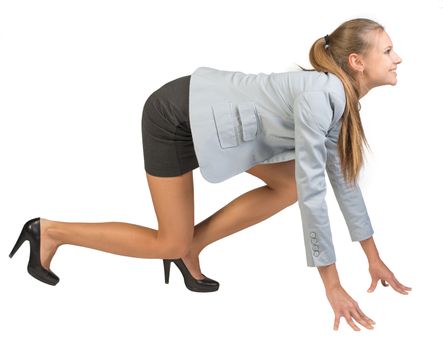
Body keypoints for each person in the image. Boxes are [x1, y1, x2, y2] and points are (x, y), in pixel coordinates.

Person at [10, 18, 411, 331]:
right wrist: (332, 285)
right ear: (356, 62)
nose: (398, 59)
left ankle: (192, 247)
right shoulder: (320, 98)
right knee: (168, 241)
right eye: (389, 51)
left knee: (284, 186)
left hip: (220, 124)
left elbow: (341, 180)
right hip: (177, 117)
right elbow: (313, 192)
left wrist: (373, 260)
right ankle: (51, 231)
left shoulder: (335, 99)